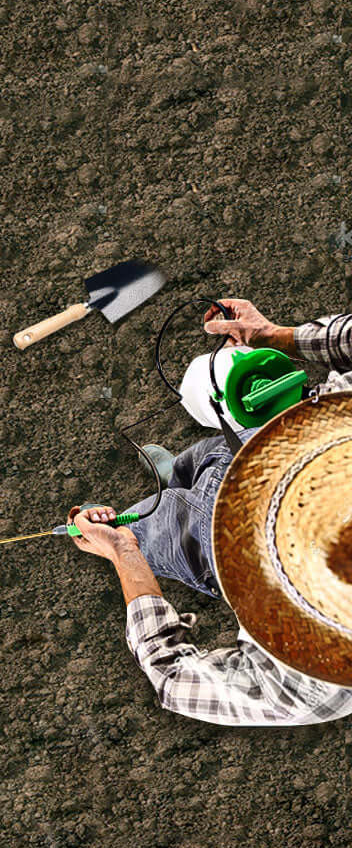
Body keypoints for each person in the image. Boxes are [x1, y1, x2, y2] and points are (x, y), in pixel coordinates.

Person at [68, 300, 352, 726]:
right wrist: (273, 336)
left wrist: (125, 553)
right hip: (273, 451)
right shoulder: (327, 675)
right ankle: (176, 478)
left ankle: (159, 505)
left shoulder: (323, 676)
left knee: (153, 526)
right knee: (208, 456)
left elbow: (175, 677)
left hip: (217, 539)